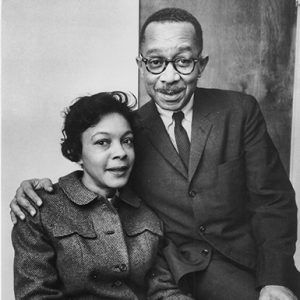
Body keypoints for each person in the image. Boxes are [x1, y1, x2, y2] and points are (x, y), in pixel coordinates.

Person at [10, 7, 299, 300]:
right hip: (172, 274)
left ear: (201, 64)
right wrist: (35, 191)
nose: (169, 77)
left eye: (184, 61)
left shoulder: (238, 111)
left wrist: (276, 279)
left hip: (249, 266)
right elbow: (92, 177)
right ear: (141, 64)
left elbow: (273, 202)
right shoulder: (127, 131)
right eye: (156, 62)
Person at [11, 91, 193, 299]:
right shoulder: (39, 210)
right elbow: (36, 295)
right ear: (76, 152)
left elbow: (163, 290)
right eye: (102, 142)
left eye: (127, 141)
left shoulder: (147, 214)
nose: (121, 152)